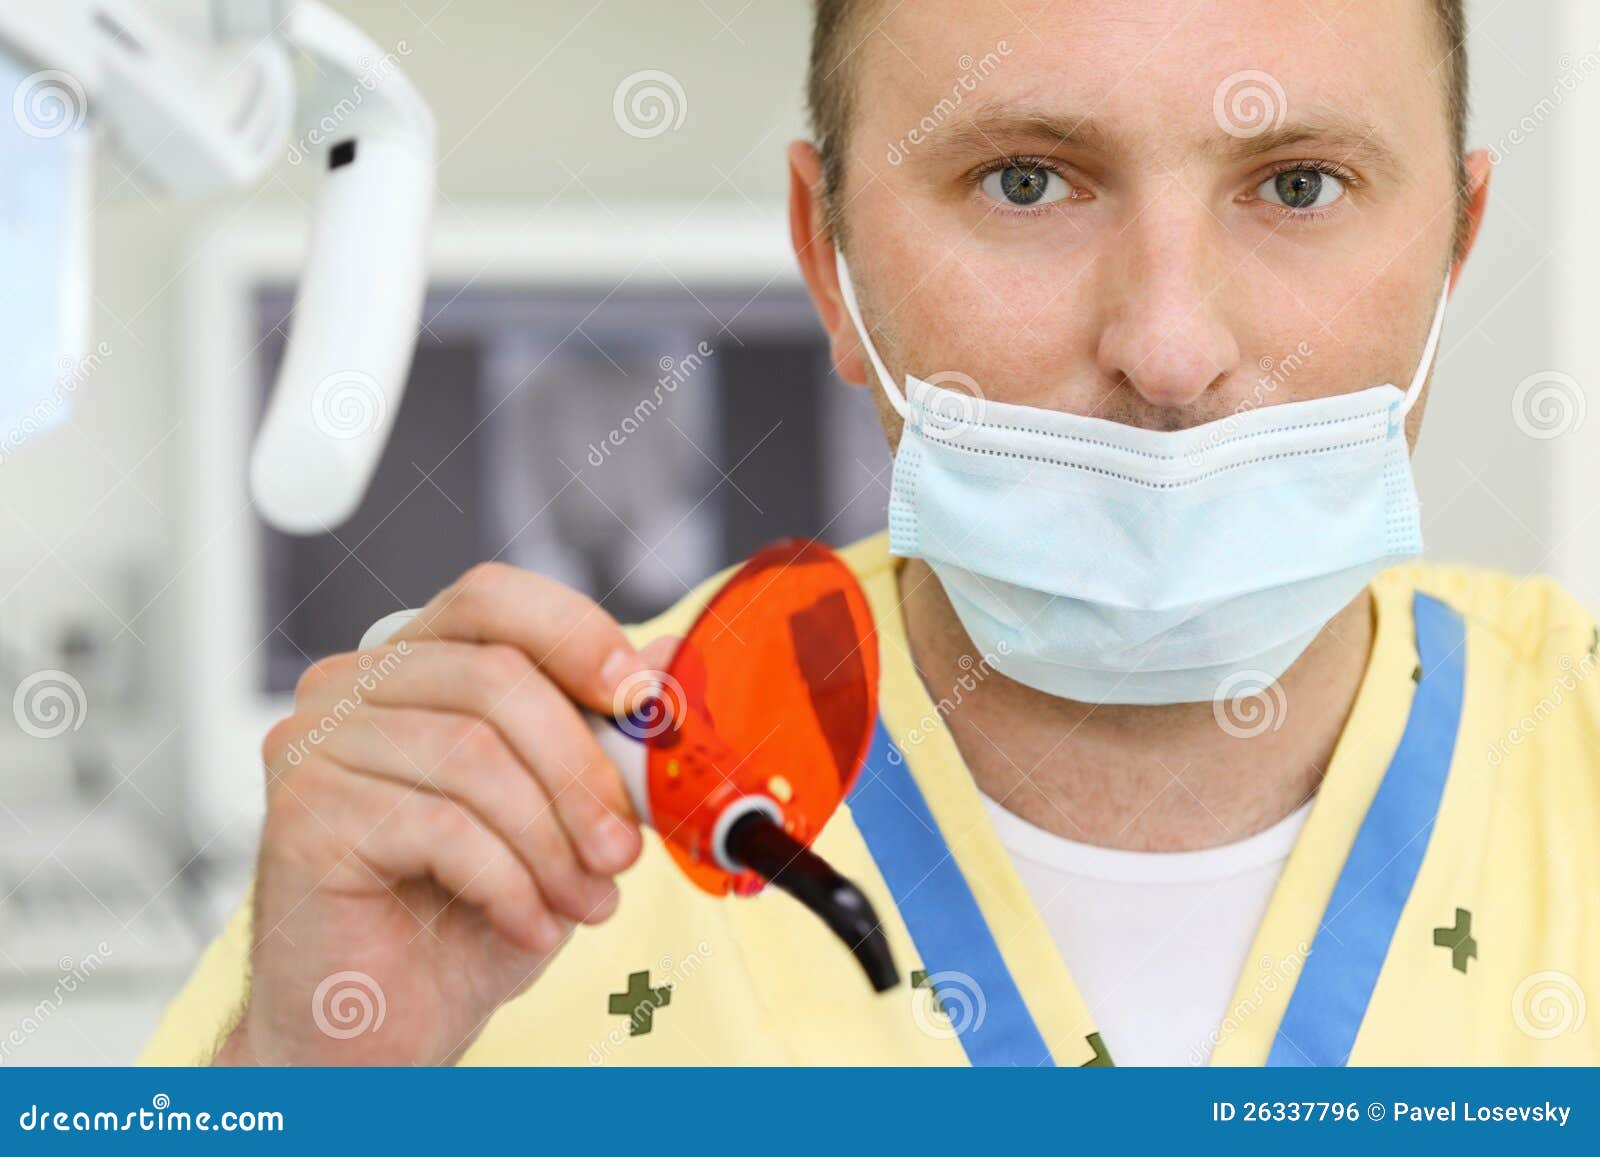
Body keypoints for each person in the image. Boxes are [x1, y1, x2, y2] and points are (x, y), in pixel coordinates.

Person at [142, 0, 1598, 1067]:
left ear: (1455, 254)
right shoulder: (514, 823)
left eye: (1296, 186)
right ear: (825, 257)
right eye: (1026, 181)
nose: (1167, 345)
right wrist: (313, 1081)